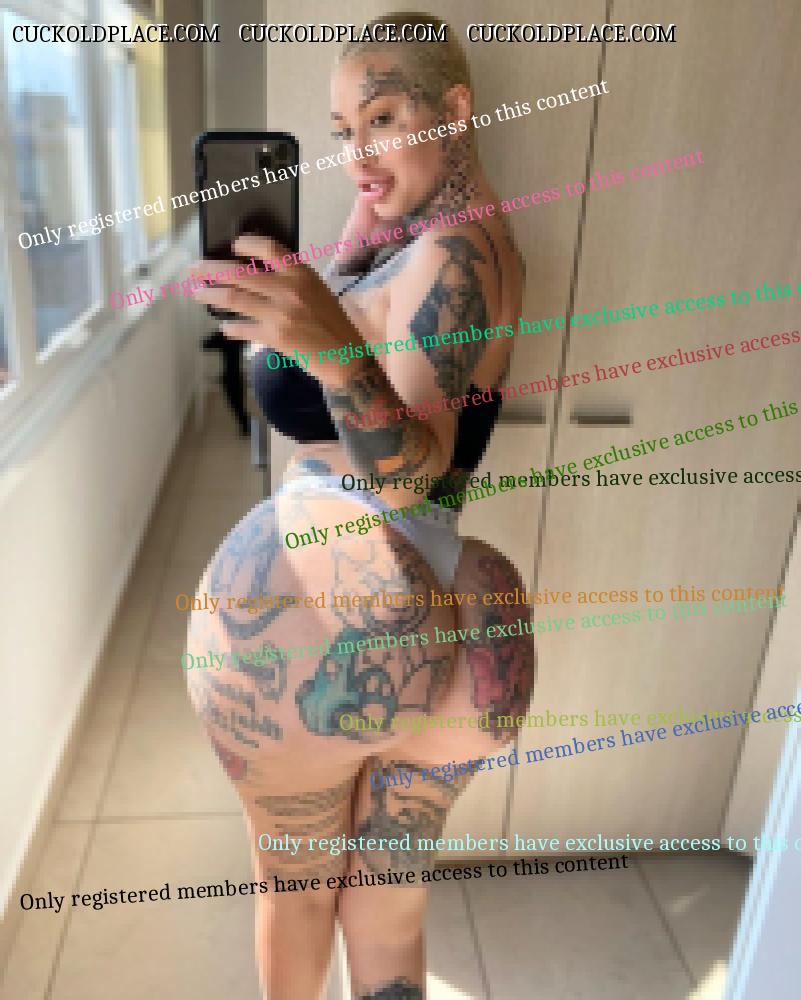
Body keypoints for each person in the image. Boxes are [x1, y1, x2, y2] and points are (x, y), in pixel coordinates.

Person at [186, 13, 535, 999]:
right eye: (343, 130)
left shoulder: (451, 257)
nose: (357, 156)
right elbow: (347, 287)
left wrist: (333, 354)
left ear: (454, 110)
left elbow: (411, 470)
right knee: (388, 905)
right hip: (461, 624)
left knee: (298, 893)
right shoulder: (438, 232)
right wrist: (343, 237)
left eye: (382, 119)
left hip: (346, 616)